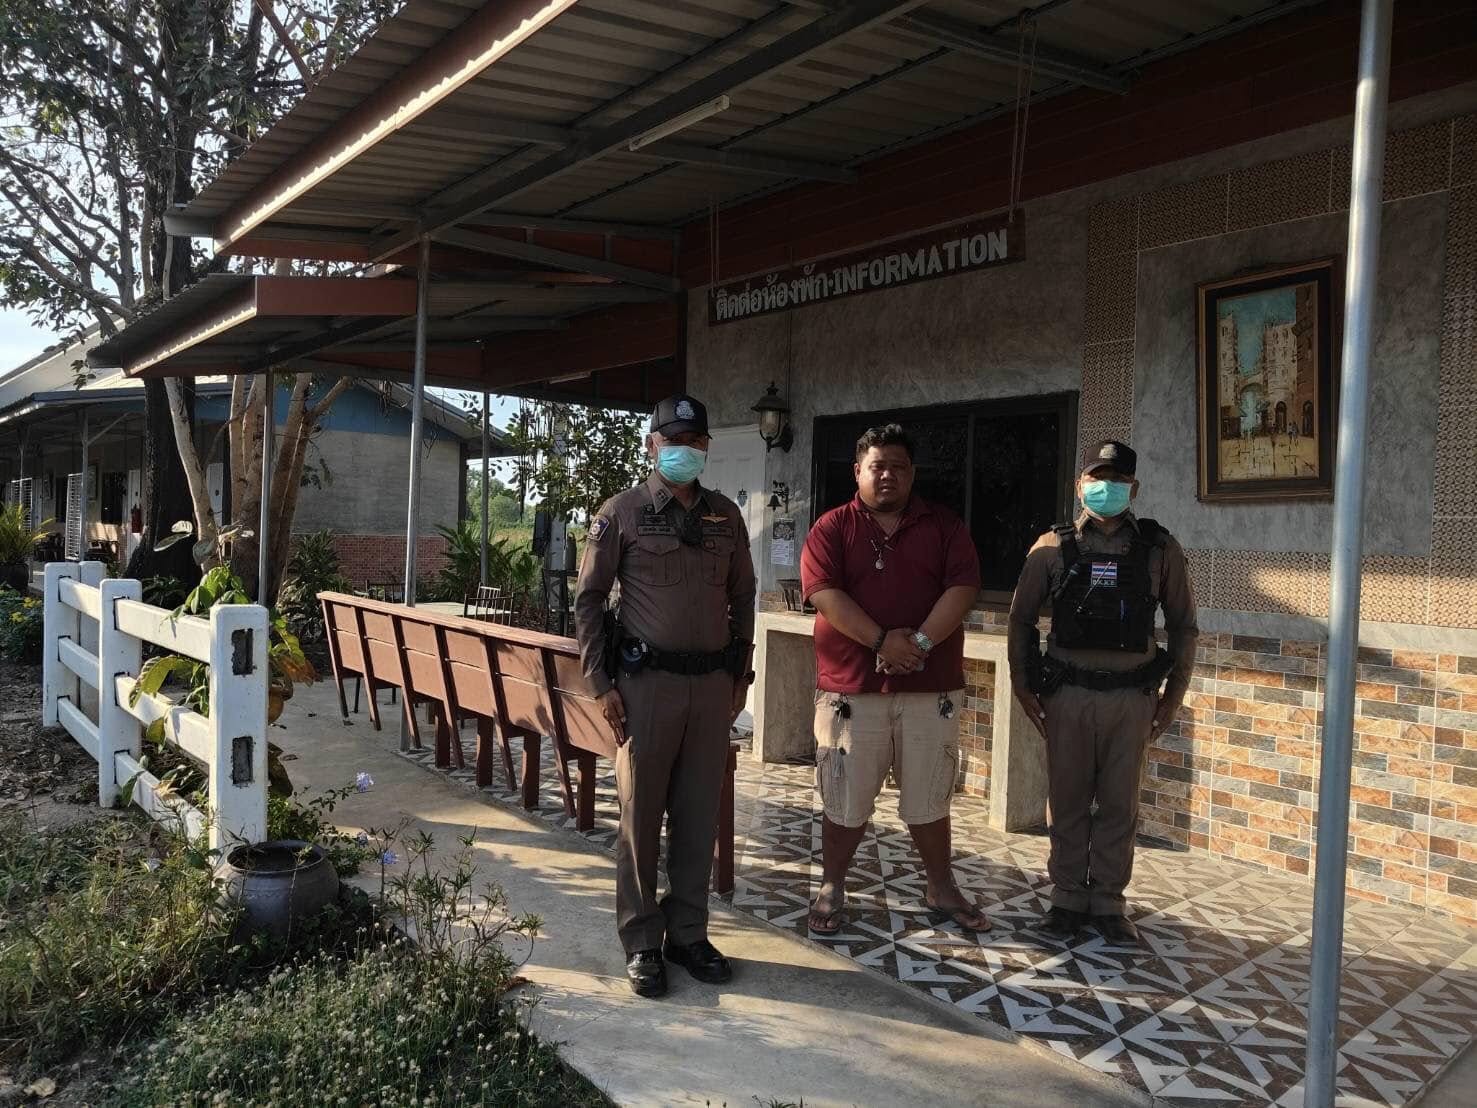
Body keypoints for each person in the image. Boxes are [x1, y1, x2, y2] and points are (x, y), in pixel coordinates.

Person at [573, 394, 756, 998]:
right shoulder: (622, 512)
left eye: (695, 441)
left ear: (705, 448)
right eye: (673, 440)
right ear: (653, 445)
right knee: (640, 817)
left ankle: (688, 933)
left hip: (711, 689)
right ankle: (642, 940)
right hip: (644, 688)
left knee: (699, 817)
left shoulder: (725, 517)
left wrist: (741, 676)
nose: (685, 450)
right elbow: (589, 600)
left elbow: (744, 598)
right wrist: (600, 683)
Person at [799, 424, 989, 936]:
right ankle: (832, 885)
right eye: (877, 466)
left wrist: (919, 644)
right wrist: (884, 642)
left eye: (898, 467)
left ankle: (940, 887)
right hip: (851, 690)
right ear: (857, 471)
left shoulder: (945, 526)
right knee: (844, 797)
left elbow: (963, 588)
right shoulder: (832, 528)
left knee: (929, 797)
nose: (888, 475)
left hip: (931, 690)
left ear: (912, 473)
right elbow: (824, 594)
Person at [1007, 440, 1198, 946]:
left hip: (1131, 699)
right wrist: (1022, 683)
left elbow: (1183, 626)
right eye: (1097, 478)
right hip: (1067, 695)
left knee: (1119, 803)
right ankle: (1067, 897)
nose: (1106, 487)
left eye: (1117, 479)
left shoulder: (1160, 548)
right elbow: (1021, 619)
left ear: (1133, 488)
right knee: (1066, 799)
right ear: (1079, 485)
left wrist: (1173, 696)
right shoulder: (1050, 546)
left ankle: (1110, 901)